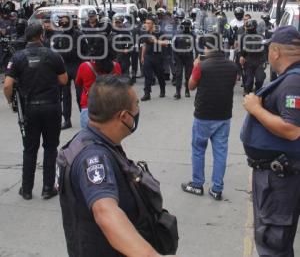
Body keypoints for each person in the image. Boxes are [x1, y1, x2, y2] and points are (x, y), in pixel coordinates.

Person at [57, 75, 178, 257]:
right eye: (136, 105)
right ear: (123, 116)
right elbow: (105, 211)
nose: (138, 110)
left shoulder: (95, 142)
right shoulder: (93, 157)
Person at [241, 26, 300, 257]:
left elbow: (292, 129)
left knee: (273, 243)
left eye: (268, 49)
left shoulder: (292, 83)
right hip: (280, 174)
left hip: (281, 179)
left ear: (275, 52)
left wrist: (256, 109)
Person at [3, 24, 68, 200]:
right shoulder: (53, 55)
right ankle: (48, 188)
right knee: (50, 147)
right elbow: (63, 79)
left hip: (29, 108)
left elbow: (7, 85)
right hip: (51, 106)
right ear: (41, 36)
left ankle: (26, 189)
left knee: (30, 149)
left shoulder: (17, 57)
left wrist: (11, 102)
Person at [182, 34, 237, 200]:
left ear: (207, 47)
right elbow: (232, 84)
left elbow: (190, 86)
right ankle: (217, 188)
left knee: (198, 149)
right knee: (220, 152)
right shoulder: (232, 66)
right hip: (224, 115)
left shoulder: (202, 66)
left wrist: (195, 66)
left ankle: (197, 184)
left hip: (203, 115)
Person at [75, 57, 121, 128]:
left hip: (89, 107)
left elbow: (78, 83)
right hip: (111, 108)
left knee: (88, 137)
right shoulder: (116, 66)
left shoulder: (84, 66)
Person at [140, 15, 168, 101]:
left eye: (149, 23)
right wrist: (142, 56)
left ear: (153, 24)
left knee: (160, 75)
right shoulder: (145, 32)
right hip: (148, 56)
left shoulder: (160, 32)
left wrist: (157, 41)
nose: (146, 25)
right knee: (147, 75)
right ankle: (147, 93)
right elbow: (144, 44)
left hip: (158, 56)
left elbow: (166, 43)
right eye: (146, 23)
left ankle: (162, 89)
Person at [239, 19, 266, 95]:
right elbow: (241, 49)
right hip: (248, 59)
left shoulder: (261, 37)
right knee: (248, 79)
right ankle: (247, 90)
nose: (249, 30)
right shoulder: (243, 37)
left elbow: (265, 49)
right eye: (248, 28)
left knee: (260, 78)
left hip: (259, 60)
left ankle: (258, 89)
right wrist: (241, 56)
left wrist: (264, 60)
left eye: (251, 28)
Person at [173, 18, 195, 99]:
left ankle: (187, 90)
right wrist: (174, 58)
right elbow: (173, 46)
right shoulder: (177, 34)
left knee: (188, 75)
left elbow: (196, 47)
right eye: (184, 26)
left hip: (189, 57)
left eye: (187, 26)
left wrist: (197, 58)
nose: (186, 27)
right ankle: (177, 92)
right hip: (179, 58)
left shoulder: (193, 34)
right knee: (178, 75)